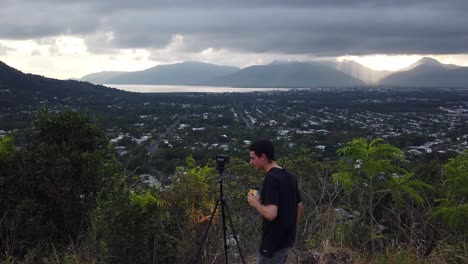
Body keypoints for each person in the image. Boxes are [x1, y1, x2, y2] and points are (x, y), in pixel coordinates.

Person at [247, 139, 304, 263]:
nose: (251, 162)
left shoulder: (271, 179)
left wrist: (255, 203)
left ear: (263, 156)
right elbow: (299, 206)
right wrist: (290, 230)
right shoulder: (290, 176)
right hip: (286, 242)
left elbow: (271, 214)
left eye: (253, 158)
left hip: (272, 244)